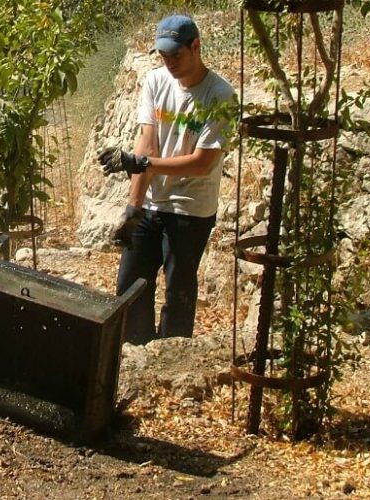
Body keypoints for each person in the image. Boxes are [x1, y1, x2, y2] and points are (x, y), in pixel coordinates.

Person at [98, 15, 235, 345]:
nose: (169, 62)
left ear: (196, 47)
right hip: (150, 203)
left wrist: (144, 163)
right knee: (130, 285)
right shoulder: (156, 82)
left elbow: (202, 164)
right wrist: (133, 208)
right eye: (164, 55)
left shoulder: (220, 96)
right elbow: (147, 142)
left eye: (177, 54)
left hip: (191, 208)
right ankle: (136, 351)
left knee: (178, 290)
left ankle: (171, 357)